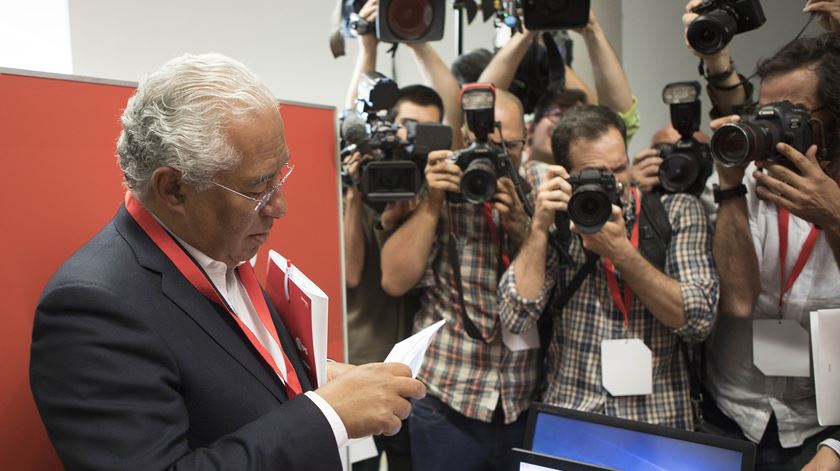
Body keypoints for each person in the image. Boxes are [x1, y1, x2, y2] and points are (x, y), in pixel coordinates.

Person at [29, 53, 426, 471]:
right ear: (174, 189)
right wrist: (327, 415)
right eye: (258, 188)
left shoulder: (210, 246)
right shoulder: (92, 310)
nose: (280, 207)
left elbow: (216, 371)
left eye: (281, 177)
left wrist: (312, 375)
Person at [498, 104, 719, 431]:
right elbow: (516, 316)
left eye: (618, 169)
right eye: (597, 174)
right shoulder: (557, 220)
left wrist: (621, 253)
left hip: (659, 418)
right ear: (563, 173)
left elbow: (698, 321)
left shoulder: (675, 212)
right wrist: (540, 226)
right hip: (572, 414)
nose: (614, 185)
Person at [698, 31, 840, 470]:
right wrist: (728, 185)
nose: (771, 127)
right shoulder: (738, 184)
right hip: (731, 417)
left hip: (820, 431)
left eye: (790, 114)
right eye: (765, 113)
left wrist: (834, 216)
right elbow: (738, 301)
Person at [380, 88, 534, 471]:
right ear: (466, 138)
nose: (496, 157)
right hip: (449, 395)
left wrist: (521, 226)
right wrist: (432, 201)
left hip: (521, 397)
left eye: (509, 147)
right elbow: (394, 280)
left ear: (526, 141)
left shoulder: (539, 186)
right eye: (486, 145)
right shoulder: (440, 182)